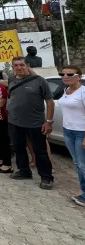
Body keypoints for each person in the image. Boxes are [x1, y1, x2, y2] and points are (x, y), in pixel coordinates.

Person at [7, 56, 54, 189]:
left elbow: (49, 102)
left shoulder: (40, 81)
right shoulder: (11, 80)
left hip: (35, 123)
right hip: (15, 122)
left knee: (40, 151)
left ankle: (46, 177)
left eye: (21, 65)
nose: (19, 67)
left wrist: (49, 121)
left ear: (27, 66)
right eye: (15, 65)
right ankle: (24, 171)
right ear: (13, 67)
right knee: (18, 148)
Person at [57, 65, 85, 206]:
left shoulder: (83, 92)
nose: (65, 77)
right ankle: (83, 192)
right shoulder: (65, 90)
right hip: (68, 131)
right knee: (77, 163)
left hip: (81, 132)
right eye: (62, 74)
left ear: (79, 76)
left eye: (69, 74)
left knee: (82, 164)